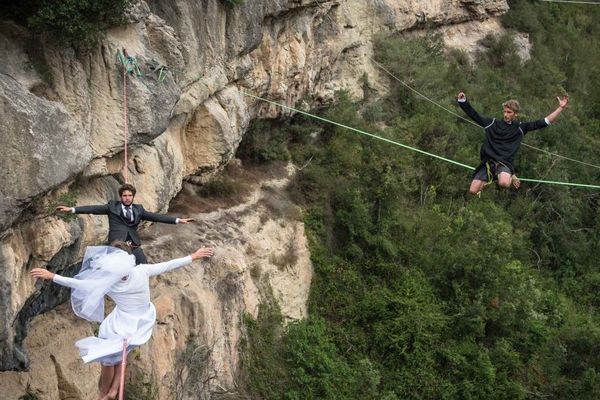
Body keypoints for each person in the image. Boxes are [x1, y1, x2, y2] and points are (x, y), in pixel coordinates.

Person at [31, 241, 214, 400]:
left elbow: (81, 284)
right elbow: (168, 265)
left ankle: (105, 394)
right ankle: (113, 390)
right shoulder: (141, 271)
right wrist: (194, 255)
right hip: (142, 321)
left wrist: (53, 276)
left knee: (109, 358)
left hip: (123, 324)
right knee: (121, 353)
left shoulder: (111, 281)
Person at [457, 92, 569, 195]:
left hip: (504, 163)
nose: (506, 114)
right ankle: (495, 176)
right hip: (488, 163)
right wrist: (463, 102)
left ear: (515, 114)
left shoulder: (520, 127)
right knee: (472, 191)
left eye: (509, 112)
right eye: (505, 111)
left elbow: (544, 122)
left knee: (504, 183)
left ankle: (509, 175)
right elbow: (474, 115)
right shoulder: (492, 123)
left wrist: (560, 108)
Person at [56, 183, 194, 264]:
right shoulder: (112, 207)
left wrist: (178, 220)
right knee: (118, 268)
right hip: (117, 243)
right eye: (124, 196)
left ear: (133, 197)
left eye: (129, 196)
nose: (127, 198)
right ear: (121, 197)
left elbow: (155, 217)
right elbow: (93, 208)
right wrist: (72, 209)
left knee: (143, 264)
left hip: (133, 243)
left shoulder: (138, 209)